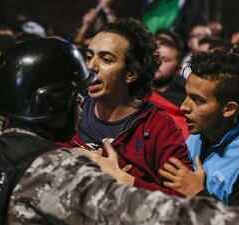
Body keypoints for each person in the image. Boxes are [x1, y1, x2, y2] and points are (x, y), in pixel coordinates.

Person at [0, 37, 239, 225]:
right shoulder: (51, 170)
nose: (82, 106)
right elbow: (148, 213)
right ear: (52, 102)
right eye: (76, 98)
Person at [64, 18, 192, 196]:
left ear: (131, 73)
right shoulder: (69, 113)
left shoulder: (159, 127)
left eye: (106, 59)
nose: (91, 67)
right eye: (89, 56)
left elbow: (184, 197)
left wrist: (124, 180)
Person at [158, 51, 239, 208]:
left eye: (198, 100)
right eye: (187, 96)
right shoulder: (195, 138)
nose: (184, 107)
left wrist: (198, 193)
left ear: (229, 109)